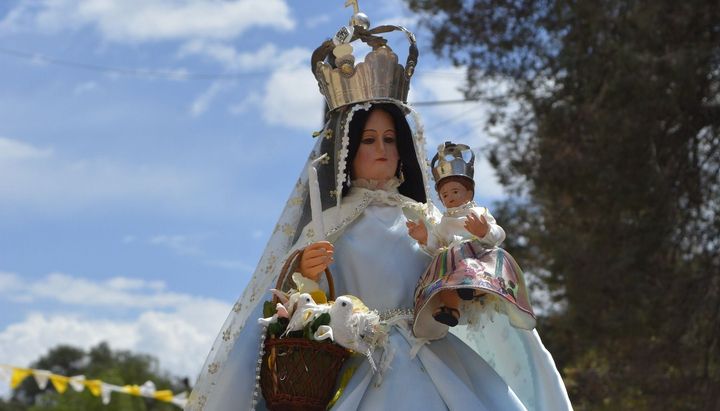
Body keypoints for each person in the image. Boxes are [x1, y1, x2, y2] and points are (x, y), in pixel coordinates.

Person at [186, 13, 572, 411]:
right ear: (348, 151)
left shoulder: (425, 217)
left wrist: (468, 264)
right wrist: (305, 268)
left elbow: (454, 267)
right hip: (358, 365)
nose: (382, 149)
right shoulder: (331, 224)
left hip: (431, 355)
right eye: (369, 140)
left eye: (389, 138)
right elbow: (298, 300)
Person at [408, 142, 537, 342]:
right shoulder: (445, 222)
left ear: (469, 193)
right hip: (452, 262)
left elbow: (497, 234)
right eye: (445, 195)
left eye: (455, 192)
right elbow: (437, 244)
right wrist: (424, 237)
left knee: (468, 267)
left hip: (478, 257)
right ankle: (450, 310)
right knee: (444, 284)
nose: (449, 198)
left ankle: (473, 287)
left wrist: (484, 230)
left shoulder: (479, 212)